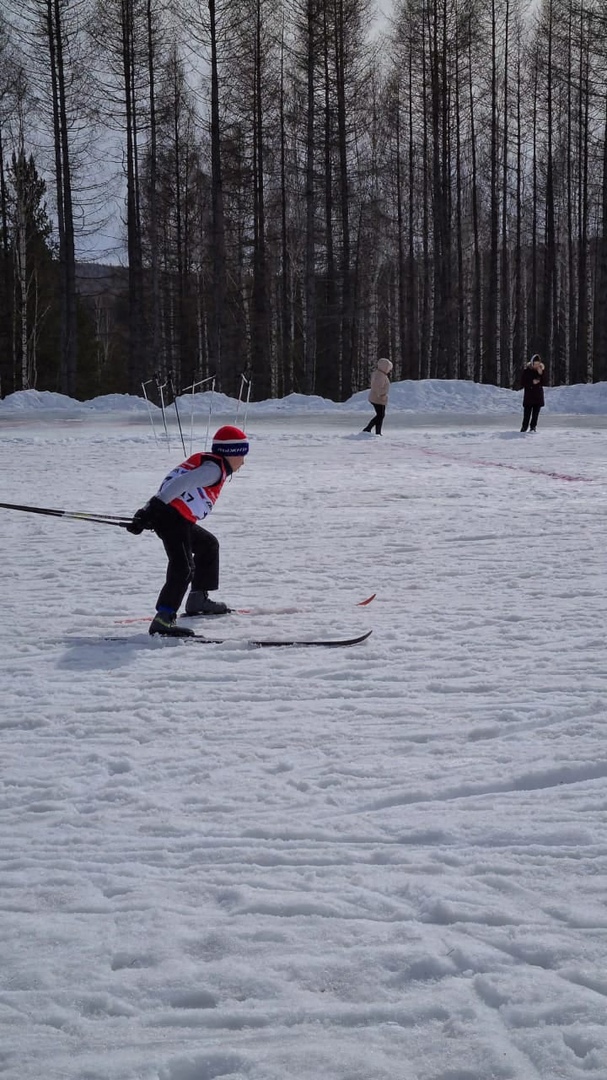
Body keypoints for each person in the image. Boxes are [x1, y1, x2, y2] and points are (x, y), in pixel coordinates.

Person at [127, 425, 249, 637]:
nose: (243, 462)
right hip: (173, 518)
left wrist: (148, 512)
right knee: (183, 567)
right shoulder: (213, 470)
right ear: (231, 453)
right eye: (242, 455)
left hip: (176, 517)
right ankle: (164, 619)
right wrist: (152, 509)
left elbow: (175, 483)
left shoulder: (211, 464)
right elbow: (182, 482)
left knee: (208, 545)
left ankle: (197, 600)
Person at [363, 358, 393, 435]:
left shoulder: (380, 374)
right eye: (388, 368)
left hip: (378, 398)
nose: (389, 370)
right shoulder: (380, 376)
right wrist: (382, 394)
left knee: (380, 415)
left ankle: (377, 432)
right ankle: (368, 429)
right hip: (378, 398)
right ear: (385, 367)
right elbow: (377, 388)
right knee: (380, 415)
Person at [520, 355, 545, 433]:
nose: (536, 365)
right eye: (535, 364)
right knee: (527, 415)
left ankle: (533, 427)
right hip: (529, 397)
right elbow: (522, 382)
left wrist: (541, 374)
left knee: (535, 415)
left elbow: (545, 382)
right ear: (532, 363)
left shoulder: (541, 371)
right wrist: (531, 382)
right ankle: (524, 428)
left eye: (538, 364)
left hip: (538, 396)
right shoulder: (527, 371)